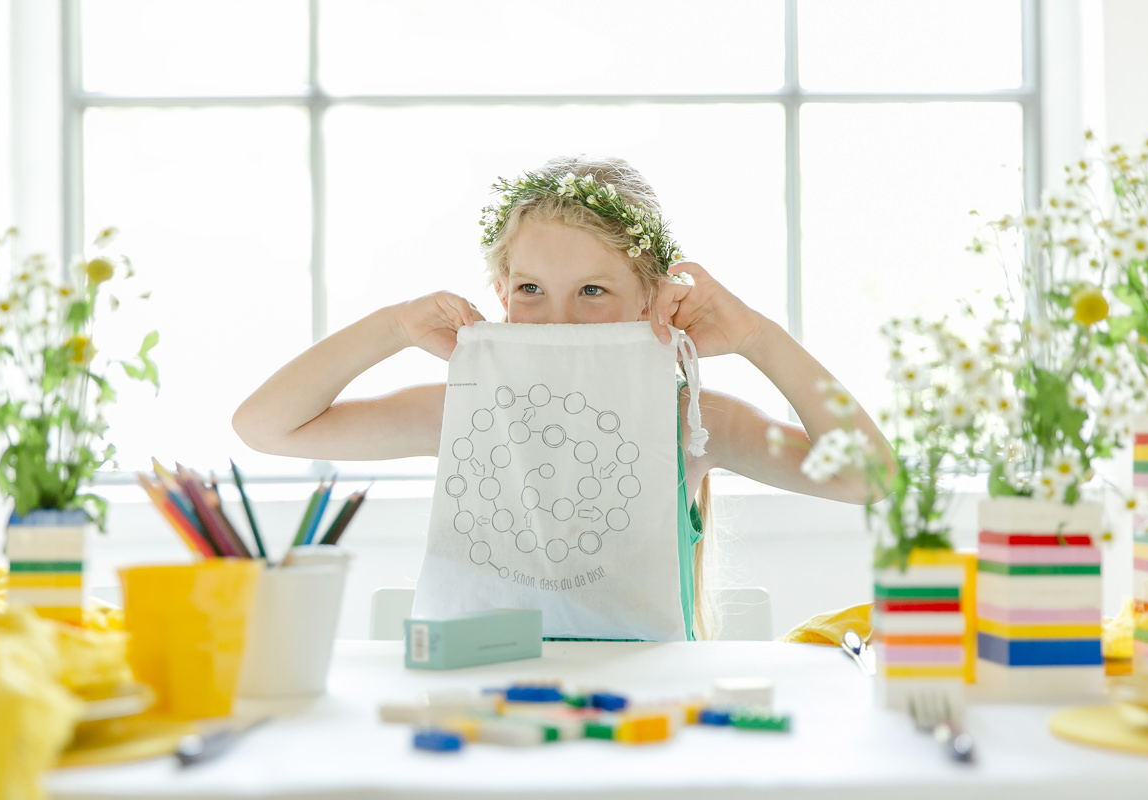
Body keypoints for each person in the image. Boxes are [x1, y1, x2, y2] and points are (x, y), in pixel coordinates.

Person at [233, 154, 892, 640]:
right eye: (531, 291)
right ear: (501, 296)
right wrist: (393, 327)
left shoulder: (694, 421)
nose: (557, 321)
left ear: (651, 299)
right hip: (484, 704)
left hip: (650, 716)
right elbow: (265, 426)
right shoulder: (463, 411)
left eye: (593, 292)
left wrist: (757, 337)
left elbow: (873, 480)